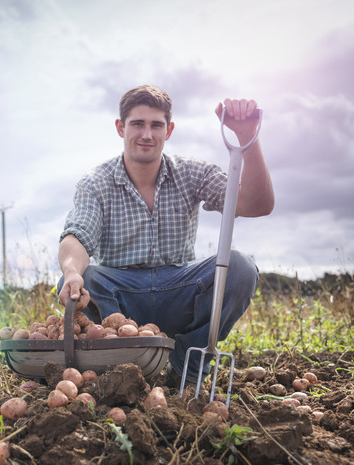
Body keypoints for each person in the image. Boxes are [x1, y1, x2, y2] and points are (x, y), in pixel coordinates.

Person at [57, 84, 274, 388]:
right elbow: (76, 236)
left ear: (168, 130)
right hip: (121, 301)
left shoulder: (191, 173)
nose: (147, 134)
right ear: (121, 128)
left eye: (156, 125)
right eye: (138, 124)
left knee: (240, 267)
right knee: (86, 279)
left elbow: (256, 204)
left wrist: (247, 136)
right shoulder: (96, 184)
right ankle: (122, 371)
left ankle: (189, 364)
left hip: (180, 289)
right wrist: (70, 272)